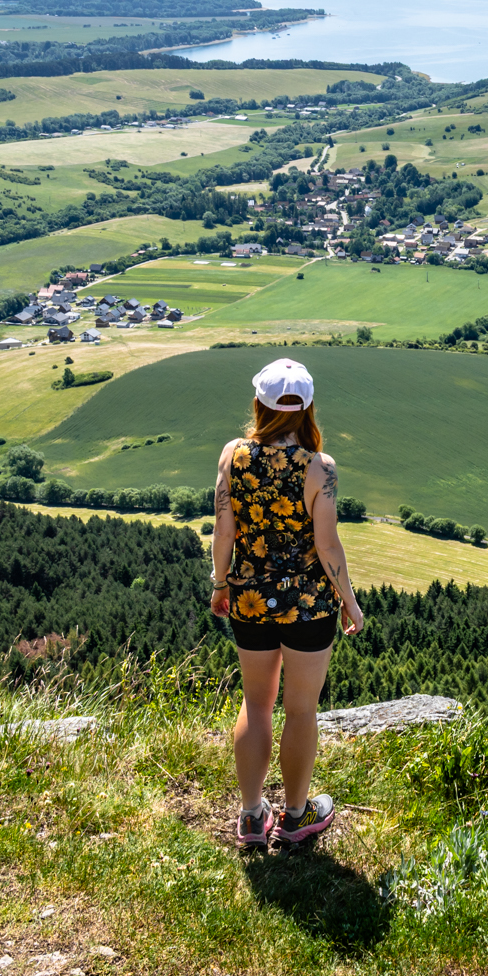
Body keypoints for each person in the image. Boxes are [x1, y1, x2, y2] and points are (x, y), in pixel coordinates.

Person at [210, 356, 365, 848]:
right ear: (308, 408)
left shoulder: (232, 456)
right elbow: (328, 545)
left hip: (249, 599)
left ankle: (253, 816)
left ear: (259, 403)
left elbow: (223, 531)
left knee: (256, 705)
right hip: (309, 605)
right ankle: (296, 817)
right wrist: (350, 601)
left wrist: (220, 585)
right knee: (300, 709)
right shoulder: (321, 468)